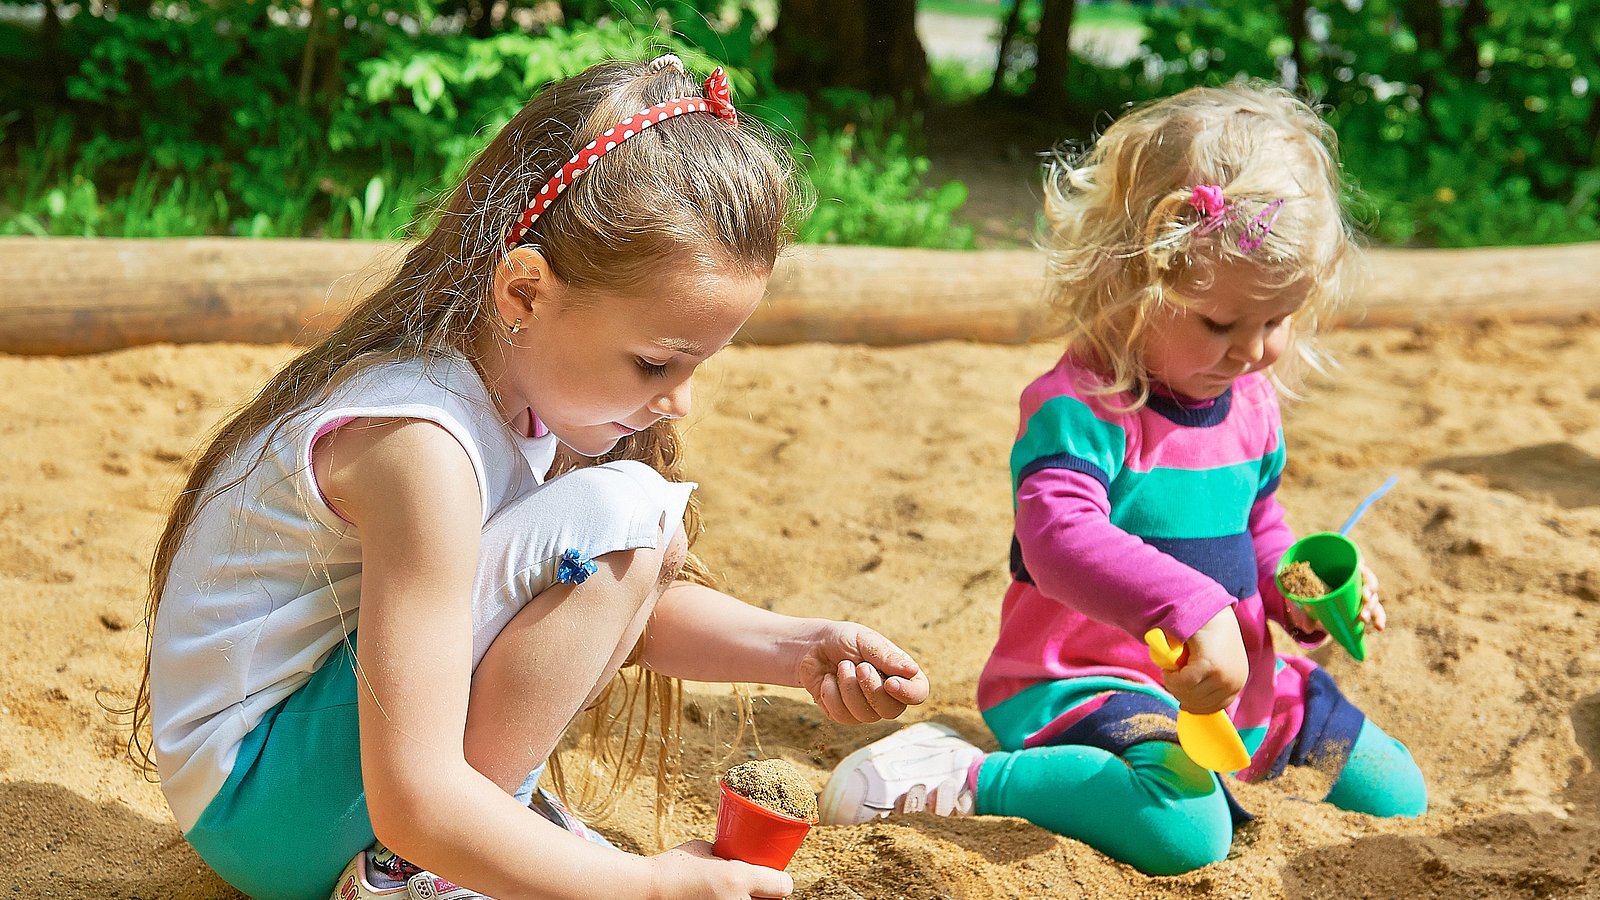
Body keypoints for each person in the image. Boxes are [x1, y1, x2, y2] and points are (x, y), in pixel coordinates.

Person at [132, 56, 930, 900]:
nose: (681, 402)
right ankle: (417, 877)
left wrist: (801, 648)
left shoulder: (519, 395)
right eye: (657, 361)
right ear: (523, 292)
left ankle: (450, 852)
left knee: (625, 522)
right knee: (625, 509)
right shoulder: (422, 447)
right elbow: (414, 795)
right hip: (267, 808)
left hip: (293, 797)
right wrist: (648, 889)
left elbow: (607, 603)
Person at [817, 81, 1426, 875]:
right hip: (1092, 681)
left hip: (1235, 687)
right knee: (1186, 835)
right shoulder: (1080, 409)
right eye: (1220, 323)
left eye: (1276, 322)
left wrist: (1298, 589)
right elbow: (1057, 539)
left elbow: (1259, 522)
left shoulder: (1250, 404)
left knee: (1395, 791)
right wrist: (1192, 603)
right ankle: (969, 775)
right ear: (1130, 277)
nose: (1253, 351)